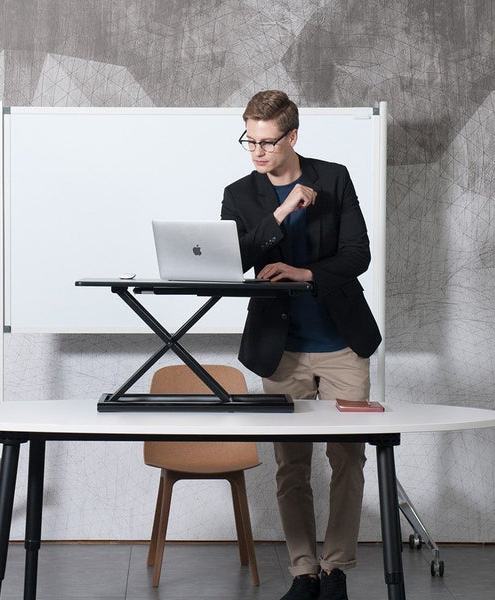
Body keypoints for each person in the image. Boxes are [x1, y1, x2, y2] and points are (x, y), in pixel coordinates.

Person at [221, 90, 382, 600]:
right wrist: (285, 209)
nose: (257, 152)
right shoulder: (240, 193)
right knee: (291, 465)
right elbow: (235, 260)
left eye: (267, 142)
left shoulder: (332, 177)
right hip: (280, 347)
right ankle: (303, 571)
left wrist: (305, 271)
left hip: (341, 343)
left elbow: (358, 254)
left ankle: (336, 570)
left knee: (348, 460)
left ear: (292, 136)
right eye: (250, 140)